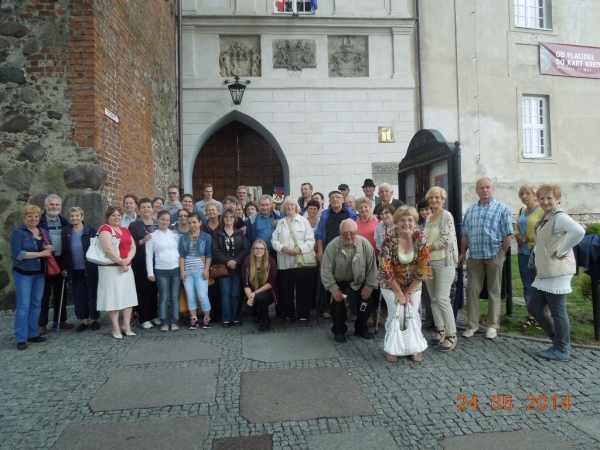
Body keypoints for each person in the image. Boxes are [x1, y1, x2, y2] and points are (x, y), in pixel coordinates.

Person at [528, 184, 585, 361]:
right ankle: (558, 341)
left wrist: (562, 250)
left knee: (558, 310)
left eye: (549, 198)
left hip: (557, 271)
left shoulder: (559, 217)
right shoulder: (546, 217)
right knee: (535, 308)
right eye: (542, 198)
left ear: (558, 199)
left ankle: (562, 349)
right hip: (546, 270)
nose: (545, 201)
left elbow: (579, 231)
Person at [458, 178, 513, 340]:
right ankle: (472, 325)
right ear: (476, 190)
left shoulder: (502, 209)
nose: (485, 190)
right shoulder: (471, 210)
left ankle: (492, 325)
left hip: (494, 253)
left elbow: (507, 235)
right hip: (474, 255)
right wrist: (463, 252)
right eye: (481, 188)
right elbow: (466, 234)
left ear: (493, 189)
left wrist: (502, 254)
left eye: (488, 187)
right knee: (472, 290)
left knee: (494, 291)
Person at [379, 206, 432, 362]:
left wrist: (408, 292)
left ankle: (415, 347)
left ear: (415, 222)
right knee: (396, 312)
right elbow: (385, 266)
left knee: (412, 313)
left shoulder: (420, 237)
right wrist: (398, 292)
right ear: (396, 222)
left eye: (410, 220)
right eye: (402, 220)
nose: (406, 223)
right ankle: (392, 347)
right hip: (391, 283)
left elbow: (424, 266)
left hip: (413, 283)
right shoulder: (389, 238)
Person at [321, 219, 378, 343]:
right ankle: (339, 330)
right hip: (339, 281)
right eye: (345, 233)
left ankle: (361, 329)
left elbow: (372, 267)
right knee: (337, 305)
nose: (348, 236)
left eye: (351, 233)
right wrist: (333, 289)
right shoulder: (332, 246)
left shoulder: (365, 244)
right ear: (340, 233)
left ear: (356, 232)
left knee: (367, 302)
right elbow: (325, 270)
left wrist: (369, 286)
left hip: (359, 280)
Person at [10, 205, 52, 350]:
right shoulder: (18, 233)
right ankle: (21, 338)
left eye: (36, 216)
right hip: (23, 273)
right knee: (23, 306)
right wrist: (40, 254)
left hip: (39, 273)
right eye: (30, 216)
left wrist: (50, 249)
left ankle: (33, 334)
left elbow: (49, 247)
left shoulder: (43, 232)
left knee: (36, 304)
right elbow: (19, 254)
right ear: (24, 218)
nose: (33, 219)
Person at [423, 187, 459, 352]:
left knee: (443, 298)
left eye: (437, 198)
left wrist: (429, 248)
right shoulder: (429, 217)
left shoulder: (446, 216)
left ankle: (451, 334)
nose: (434, 200)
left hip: (444, 262)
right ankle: (440, 330)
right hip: (430, 263)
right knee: (433, 299)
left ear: (443, 200)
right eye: (431, 198)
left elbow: (447, 238)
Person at [271, 196, 316, 325]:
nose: (290, 207)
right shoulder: (280, 223)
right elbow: (274, 240)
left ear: (296, 207)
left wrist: (299, 249)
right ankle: (289, 315)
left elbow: (311, 240)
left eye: (292, 205)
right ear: (284, 207)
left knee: (303, 290)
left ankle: (303, 316)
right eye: (287, 205)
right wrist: (282, 248)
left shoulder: (303, 221)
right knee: (286, 290)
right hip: (284, 263)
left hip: (300, 262)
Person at [96, 206, 138, 339]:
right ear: (108, 218)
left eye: (119, 215)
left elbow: (133, 247)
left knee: (128, 297)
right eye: (113, 215)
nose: (116, 217)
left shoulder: (125, 230)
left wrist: (127, 261)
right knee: (113, 298)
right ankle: (115, 327)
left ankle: (126, 325)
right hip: (111, 269)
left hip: (126, 268)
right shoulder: (105, 229)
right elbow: (107, 249)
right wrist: (121, 262)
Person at [315, 190, 358, 318]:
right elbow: (320, 234)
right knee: (327, 278)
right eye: (332, 198)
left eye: (338, 197)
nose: (335, 200)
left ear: (343, 200)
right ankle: (326, 308)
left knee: (350, 280)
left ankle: (351, 309)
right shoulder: (325, 216)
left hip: (348, 251)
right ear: (329, 201)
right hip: (329, 252)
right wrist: (320, 251)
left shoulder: (351, 215)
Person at [61, 207, 100, 333]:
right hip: (74, 269)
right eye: (72, 216)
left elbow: (98, 248)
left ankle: (94, 319)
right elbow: (64, 251)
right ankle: (84, 321)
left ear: (82, 217)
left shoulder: (91, 230)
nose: (74, 218)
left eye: (77, 216)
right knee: (79, 296)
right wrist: (64, 267)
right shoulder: (66, 231)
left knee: (92, 294)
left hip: (90, 267)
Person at [38, 194, 72, 335]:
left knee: (61, 292)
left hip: (60, 260)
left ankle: (60, 320)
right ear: (46, 206)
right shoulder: (39, 222)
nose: (54, 207)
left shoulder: (64, 222)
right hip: (46, 261)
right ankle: (42, 324)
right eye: (51, 205)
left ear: (60, 206)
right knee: (44, 294)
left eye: (57, 205)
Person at [212, 208, 248, 327]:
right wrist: (228, 261)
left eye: (231, 217)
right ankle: (226, 318)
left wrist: (236, 261)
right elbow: (215, 251)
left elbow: (244, 249)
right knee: (225, 293)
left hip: (237, 267)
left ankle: (236, 317)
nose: (229, 219)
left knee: (235, 293)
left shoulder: (239, 233)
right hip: (223, 267)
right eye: (226, 217)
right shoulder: (217, 234)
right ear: (222, 219)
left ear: (234, 219)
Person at [146, 210, 181, 331]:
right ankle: (164, 322)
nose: (165, 222)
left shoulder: (174, 235)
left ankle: (174, 321)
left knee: (175, 297)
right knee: (163, 297)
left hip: (175, 269)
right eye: (163, 219)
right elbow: (149, 256)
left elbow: (179, 251)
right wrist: (150, 272)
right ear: (157, 220)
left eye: (167, 220)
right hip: (161, 270)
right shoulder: (152, 236)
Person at [128, 198, 160, 329]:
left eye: (148, 207)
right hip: (140, 262)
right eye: (144, 207)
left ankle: (154, 314)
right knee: (143, 290)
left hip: (156, 261)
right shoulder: (134, 225)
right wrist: (142, 241)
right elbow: (130, 244)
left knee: (154, 289)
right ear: (139, 210)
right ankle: (144, 317)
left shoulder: (157, 224)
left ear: (152, 209)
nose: (146, 209)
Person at [515, 184, 543, 328]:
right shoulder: (522, 210)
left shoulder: (541, 211)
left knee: (540, 285)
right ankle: (531, 316)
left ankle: (543, 316)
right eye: (522, 194)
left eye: (527, 193)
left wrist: (528, 237)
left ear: (534, 195)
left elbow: (543, 232)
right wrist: (518, 236)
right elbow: (516, 227)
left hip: (537, 252)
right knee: (527, 285)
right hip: (523, 252)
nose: (524, 196)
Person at [179, 212, 212, 330]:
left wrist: (206, 269)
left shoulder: (206, 237)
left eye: (194, 222)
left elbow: (208, 254)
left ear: (200, 222)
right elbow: (182, 255)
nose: (192, 225)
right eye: (189, 223)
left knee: (203, 296)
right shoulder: (183, 238)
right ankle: (193, 319)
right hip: (188, 272)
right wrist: (182, 270)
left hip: (200, 271)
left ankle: (207, 318)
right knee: (191, 296)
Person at [242, 240, 278, 331]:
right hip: (251, 291)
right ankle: (256, 312)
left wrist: (255, 293)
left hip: (267, 292)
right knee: (245, 311)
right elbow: (246, 284)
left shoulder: (271, 261)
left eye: (261, 248)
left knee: (261, 298)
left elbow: (270, 283)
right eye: (256, 248)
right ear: (253, 250)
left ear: (265, 250)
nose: (259, 250)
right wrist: (250, 298)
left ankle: (265, 320)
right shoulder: (247, 262)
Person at [245, 194, 282, 259]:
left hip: (276, 253)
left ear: (271, 205)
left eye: (267, 205)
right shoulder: (252, 220)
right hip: (259, 254)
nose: (265, 207)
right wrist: (249, 255)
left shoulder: (279, 216)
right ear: (258, 205)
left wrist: (281, 222)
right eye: (262, 205)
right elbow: (248, 239)